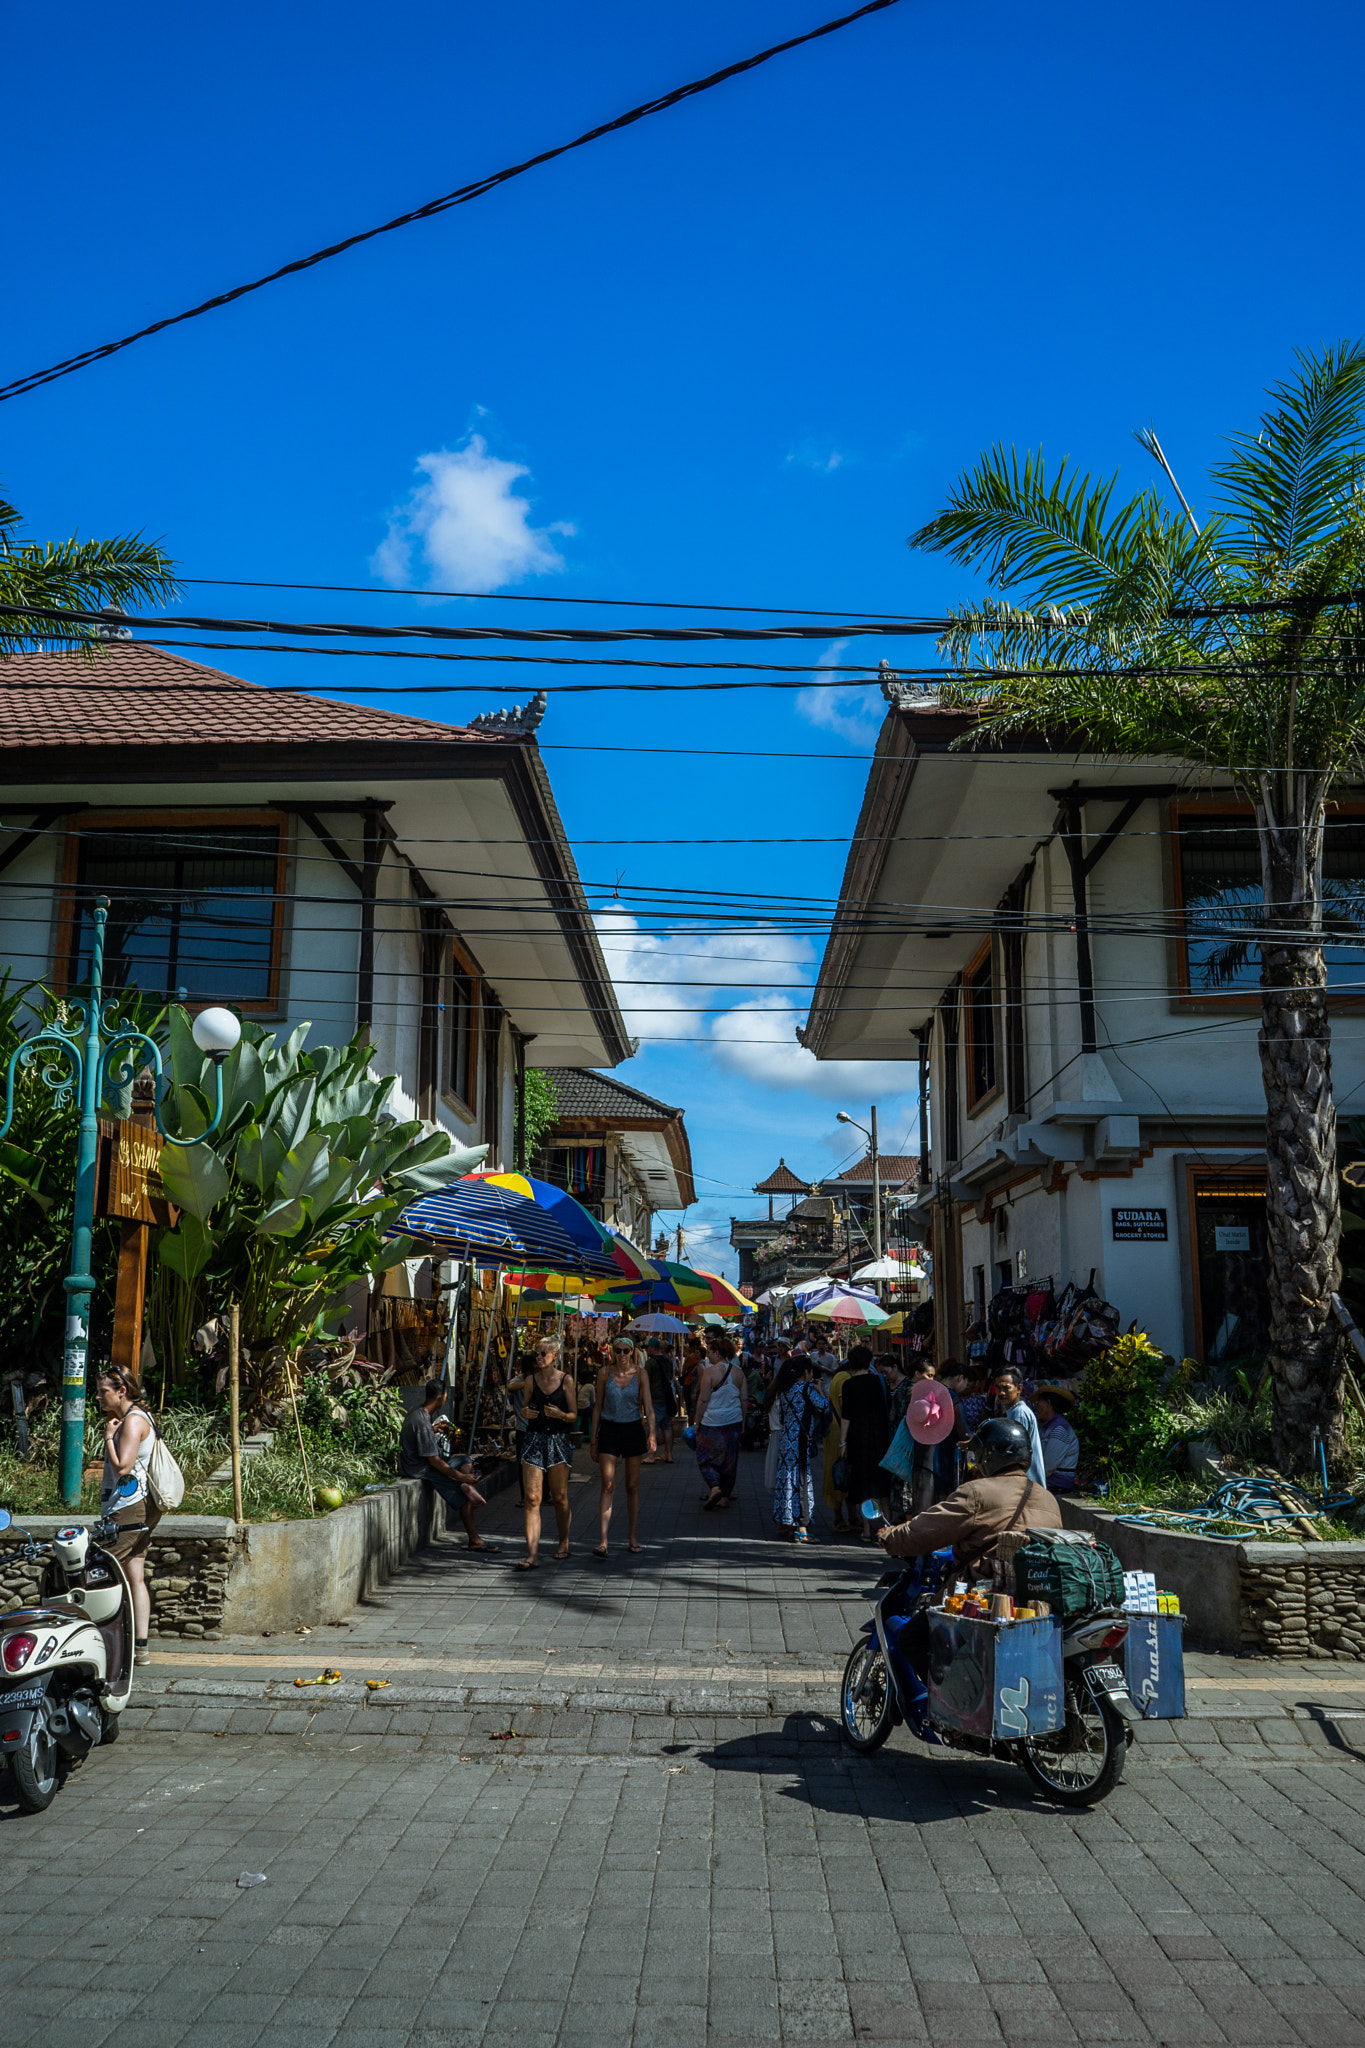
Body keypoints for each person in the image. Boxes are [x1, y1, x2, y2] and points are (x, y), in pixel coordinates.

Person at [876, 1415, 1064, 1739]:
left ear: (990, 1456)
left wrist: (891, 1536)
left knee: (913, 1638)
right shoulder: (1046, 1496)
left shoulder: (978, 1492)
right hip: (1035, 1597)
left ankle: (956, 1709)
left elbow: (928, 1528)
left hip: (986, 1595)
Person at [94, 1367, 163, 1662]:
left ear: (121, 1391)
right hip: (136, 1505)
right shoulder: (137, 1417)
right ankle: (140, 1648)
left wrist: (109, 1437)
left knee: (100, 1569)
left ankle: (103, 1644)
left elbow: (123, 1466)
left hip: (129, 1507)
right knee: (135, 1574)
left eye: (103, 1391)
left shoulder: (133, 1421)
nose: (98, 1397)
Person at [509, 1338, 578, 1569]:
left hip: (558, 1440)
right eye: (537, 1353)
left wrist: (560, 1415)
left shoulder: (566, 1380)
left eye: (543, 1353)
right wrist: (526, 1412)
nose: (539, 1357)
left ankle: (564, 1541)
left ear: (555, 1356)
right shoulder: (530, 1381)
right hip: (534, 1440)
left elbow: (573, 1416)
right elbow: (525, 1408)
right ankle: (532, 1554)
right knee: (531, 1499)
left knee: (559, 1497)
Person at [399, 1380, 490, 1550]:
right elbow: (434, 1462)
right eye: (446, 1397)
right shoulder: (422, 1423)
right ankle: (474, 1540)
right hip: (421, 1468)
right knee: (465, 1501)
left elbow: (422, 1436)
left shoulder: (419, 1413)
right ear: (440, 1398)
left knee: (464, 1459)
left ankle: (465, 1485)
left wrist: (434, 1429)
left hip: (424, 1461)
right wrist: (460, 1476)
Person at [590, 1338, 655, 1556]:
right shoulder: (604, 1374)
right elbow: (597, 1407)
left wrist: (652, 1434)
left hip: (632, 1429)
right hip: (609, 1430)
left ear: (633, 1352)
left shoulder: (640, 1374)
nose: (622, 1354)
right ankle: (603, 1540)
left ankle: (632, 1536)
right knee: (608, 1485)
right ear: (612, 1352)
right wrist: (592, 1439)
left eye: (626, 1350)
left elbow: (649, 1406)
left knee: (632, 1485)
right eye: (618, 1350)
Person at [767, 1353, 831, 1542]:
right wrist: (820, 1391)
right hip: (800, 1442)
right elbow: (824, 1407)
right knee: (801, 1481)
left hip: (786, 1441)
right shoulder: (806, 1388)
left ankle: (784, 1524)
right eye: (811, 1371)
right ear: (805, 1372)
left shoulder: (785, 1390)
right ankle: (802, 1528)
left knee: (787, 1482)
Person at [838, 1345, 893, 1543]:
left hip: (857, 1439)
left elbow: (846, 1417)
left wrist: (842, 1443)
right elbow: (889, 1408)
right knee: (883, 1482)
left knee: (863, 1484)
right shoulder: (880, 1381)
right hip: (881, 1438)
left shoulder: (849, 1385)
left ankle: (868, 1528)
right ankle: (888, 1526)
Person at [694, 1331, 747, 1510]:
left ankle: (715, 1488)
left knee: (705, 1456)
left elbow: (703, 1400)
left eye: (710, 1351)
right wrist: (743, 1422)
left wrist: (696, 1421)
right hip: (733, 1421)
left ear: (718, 1353)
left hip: (712, 1422)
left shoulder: (709, 1373)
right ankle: (724, 1495)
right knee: (729, 1460)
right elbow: (744, 1400)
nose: (708, 1354)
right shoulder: (739, 1373)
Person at [994, 1367, 1046, 1486]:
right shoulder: (1013, 1411)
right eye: (998, 1388)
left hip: (1026, 1483)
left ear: (1019, 1388)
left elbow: (1015, 1451)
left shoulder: (1020, 1413)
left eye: (1006, 1388)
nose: (1001, 1393)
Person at [1034, 1384, 1081, 1491]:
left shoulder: (1059, 1429)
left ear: (1048, 1403)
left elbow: (1048, 1467)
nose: (1037, 1407)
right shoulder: (1047, 1426)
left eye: (1039, 1403)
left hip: (1057, 1484)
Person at [641, 1338, 677, 1464]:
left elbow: (645, 1380)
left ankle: (651, 1455)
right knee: (666, 1427)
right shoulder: (669, 1360)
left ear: (653, 1348)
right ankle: (669, 1454)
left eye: (648, 1347)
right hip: (667, 1398)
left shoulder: (650, 1363)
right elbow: (672, 1376)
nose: (646, 1350)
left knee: (653, 1427)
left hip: (655, 1398)